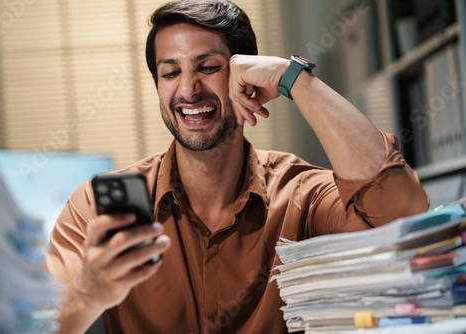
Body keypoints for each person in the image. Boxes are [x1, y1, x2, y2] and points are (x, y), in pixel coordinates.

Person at [45, 0, 429, 333]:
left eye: (208, 67)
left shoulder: (302, 195)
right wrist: (88, 291)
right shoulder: (99, 208)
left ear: (244, 75)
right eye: (170, 72)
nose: (188, 90)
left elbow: (401, 213)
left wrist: (291, 78)